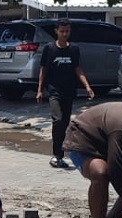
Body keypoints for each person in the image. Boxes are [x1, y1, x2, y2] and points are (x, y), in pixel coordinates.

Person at [36, 18, 94, 169]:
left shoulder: (74, 49)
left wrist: (87, 86)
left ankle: (60, 155)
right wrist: (40, 89)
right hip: (54, 91)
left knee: (65, 124)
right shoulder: (49, 49)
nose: (64, 34)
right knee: (58, 120)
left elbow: (77, 69)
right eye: (62, 31)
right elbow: (44, 69)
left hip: (69, 92)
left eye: (67, 31)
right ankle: (56, 155)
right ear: (56, 31)